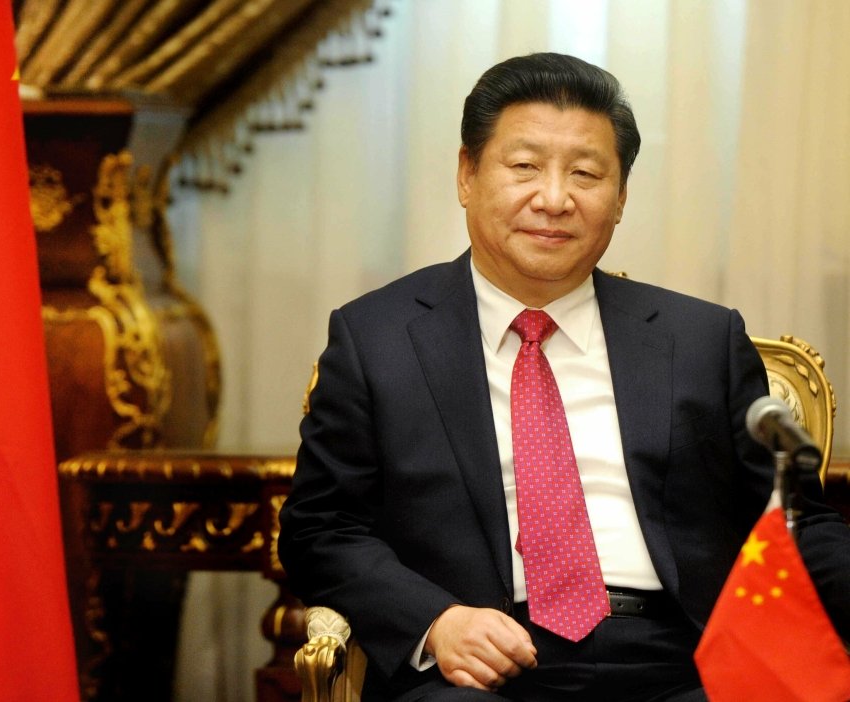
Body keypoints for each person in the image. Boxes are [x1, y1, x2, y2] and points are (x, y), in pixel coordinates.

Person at [278, 52, 850, 701]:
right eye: (524, 167)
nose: (554, 199)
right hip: (479, 667)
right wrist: (435, 621)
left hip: (686, 662)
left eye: (586, 173)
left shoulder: (700, 340)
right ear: (467, 174)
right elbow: (319, 530)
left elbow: (796, 521)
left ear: (621, 196)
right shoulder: (376, 339)